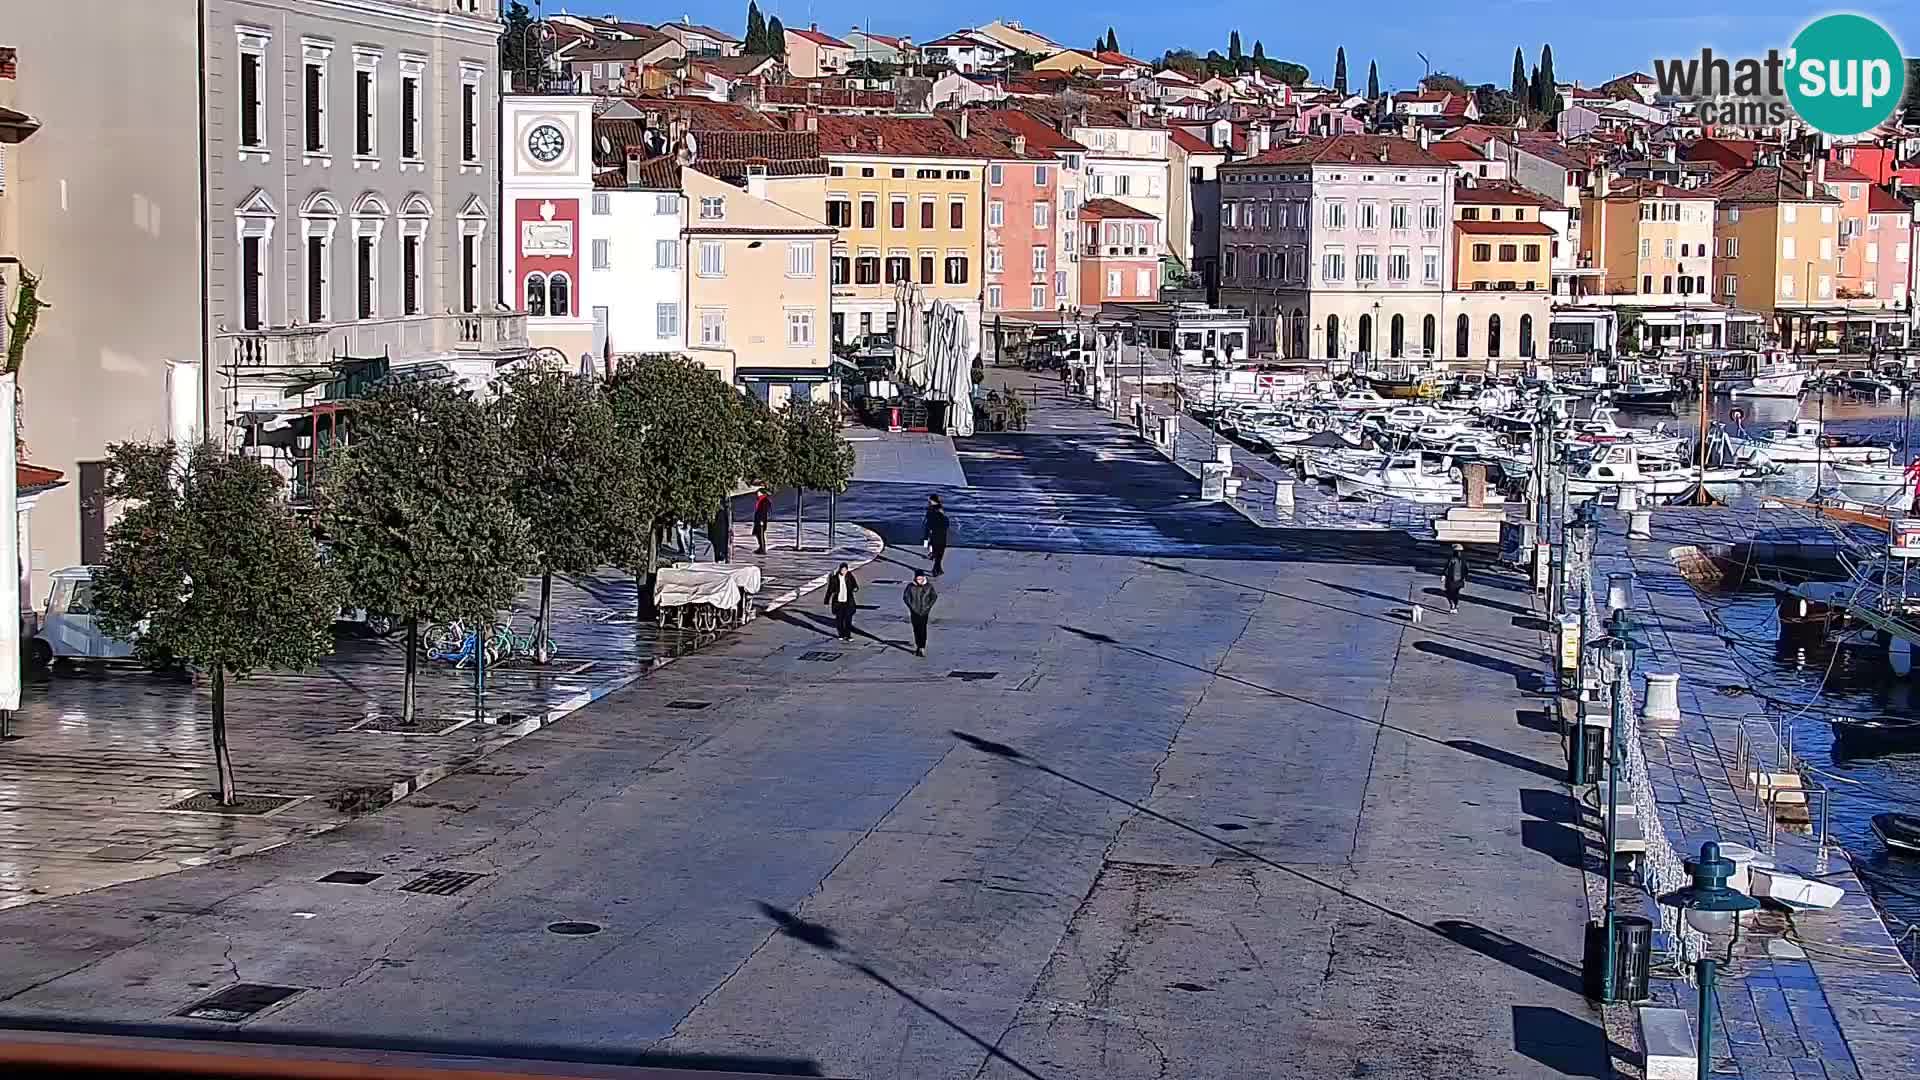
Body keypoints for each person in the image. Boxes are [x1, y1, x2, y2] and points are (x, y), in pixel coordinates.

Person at [903, 571, 938, 656]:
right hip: (914, 612)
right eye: (918, 579)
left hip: (924, 612)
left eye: (921, 578)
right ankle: (918, 645)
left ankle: (922, 646)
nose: (920, 580)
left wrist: (928, 607)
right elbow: (906, 597)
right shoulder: (910, 587)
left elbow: (934, 597)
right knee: (916, 629)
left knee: (922, 629)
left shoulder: (929, 587)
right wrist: (911, 607)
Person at [825, 564, 859, 640]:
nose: (843, 572)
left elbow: (855, 585)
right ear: (839, 570)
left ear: (847, 570)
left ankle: (848, 635)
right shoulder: (834, 578)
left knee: (848, 620)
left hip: (848, 602)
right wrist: (826, 600)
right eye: (842, 570)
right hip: (838, 602)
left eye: (845, 570)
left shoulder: (850, 577)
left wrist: (855, 588)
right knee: (839, 620)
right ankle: (841, 634)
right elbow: (830, 590)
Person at [922, 494, 950, 576]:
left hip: (935, 534)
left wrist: (926, 538)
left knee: (938, 552)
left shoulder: (931, 511)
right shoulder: (939, 510)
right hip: (940, 534)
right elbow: (946, 523)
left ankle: (937, 568)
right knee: (939, 553)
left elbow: (928, 525)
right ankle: (936, 569)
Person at [1442, 543, 1468, 614]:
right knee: (1455, 593)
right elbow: (1466, 569)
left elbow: (1447, 568)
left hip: (1453, 580)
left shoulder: (1453, 559)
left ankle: (1453, 605)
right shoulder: (1462, 559)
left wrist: (1444, 575)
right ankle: (1455, 605)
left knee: (1450, 593)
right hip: (1457, 580)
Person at [752, 488, 773, 554]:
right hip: (758, 520)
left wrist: (762, 520)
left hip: (761, 520)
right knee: (758, 534)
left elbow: (763, 512)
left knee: (760, 534)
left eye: (758, 492)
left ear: (762, 493)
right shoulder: (760, 500)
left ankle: (762, 549)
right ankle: (761, 547)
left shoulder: (764, 500)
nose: (757, 493)